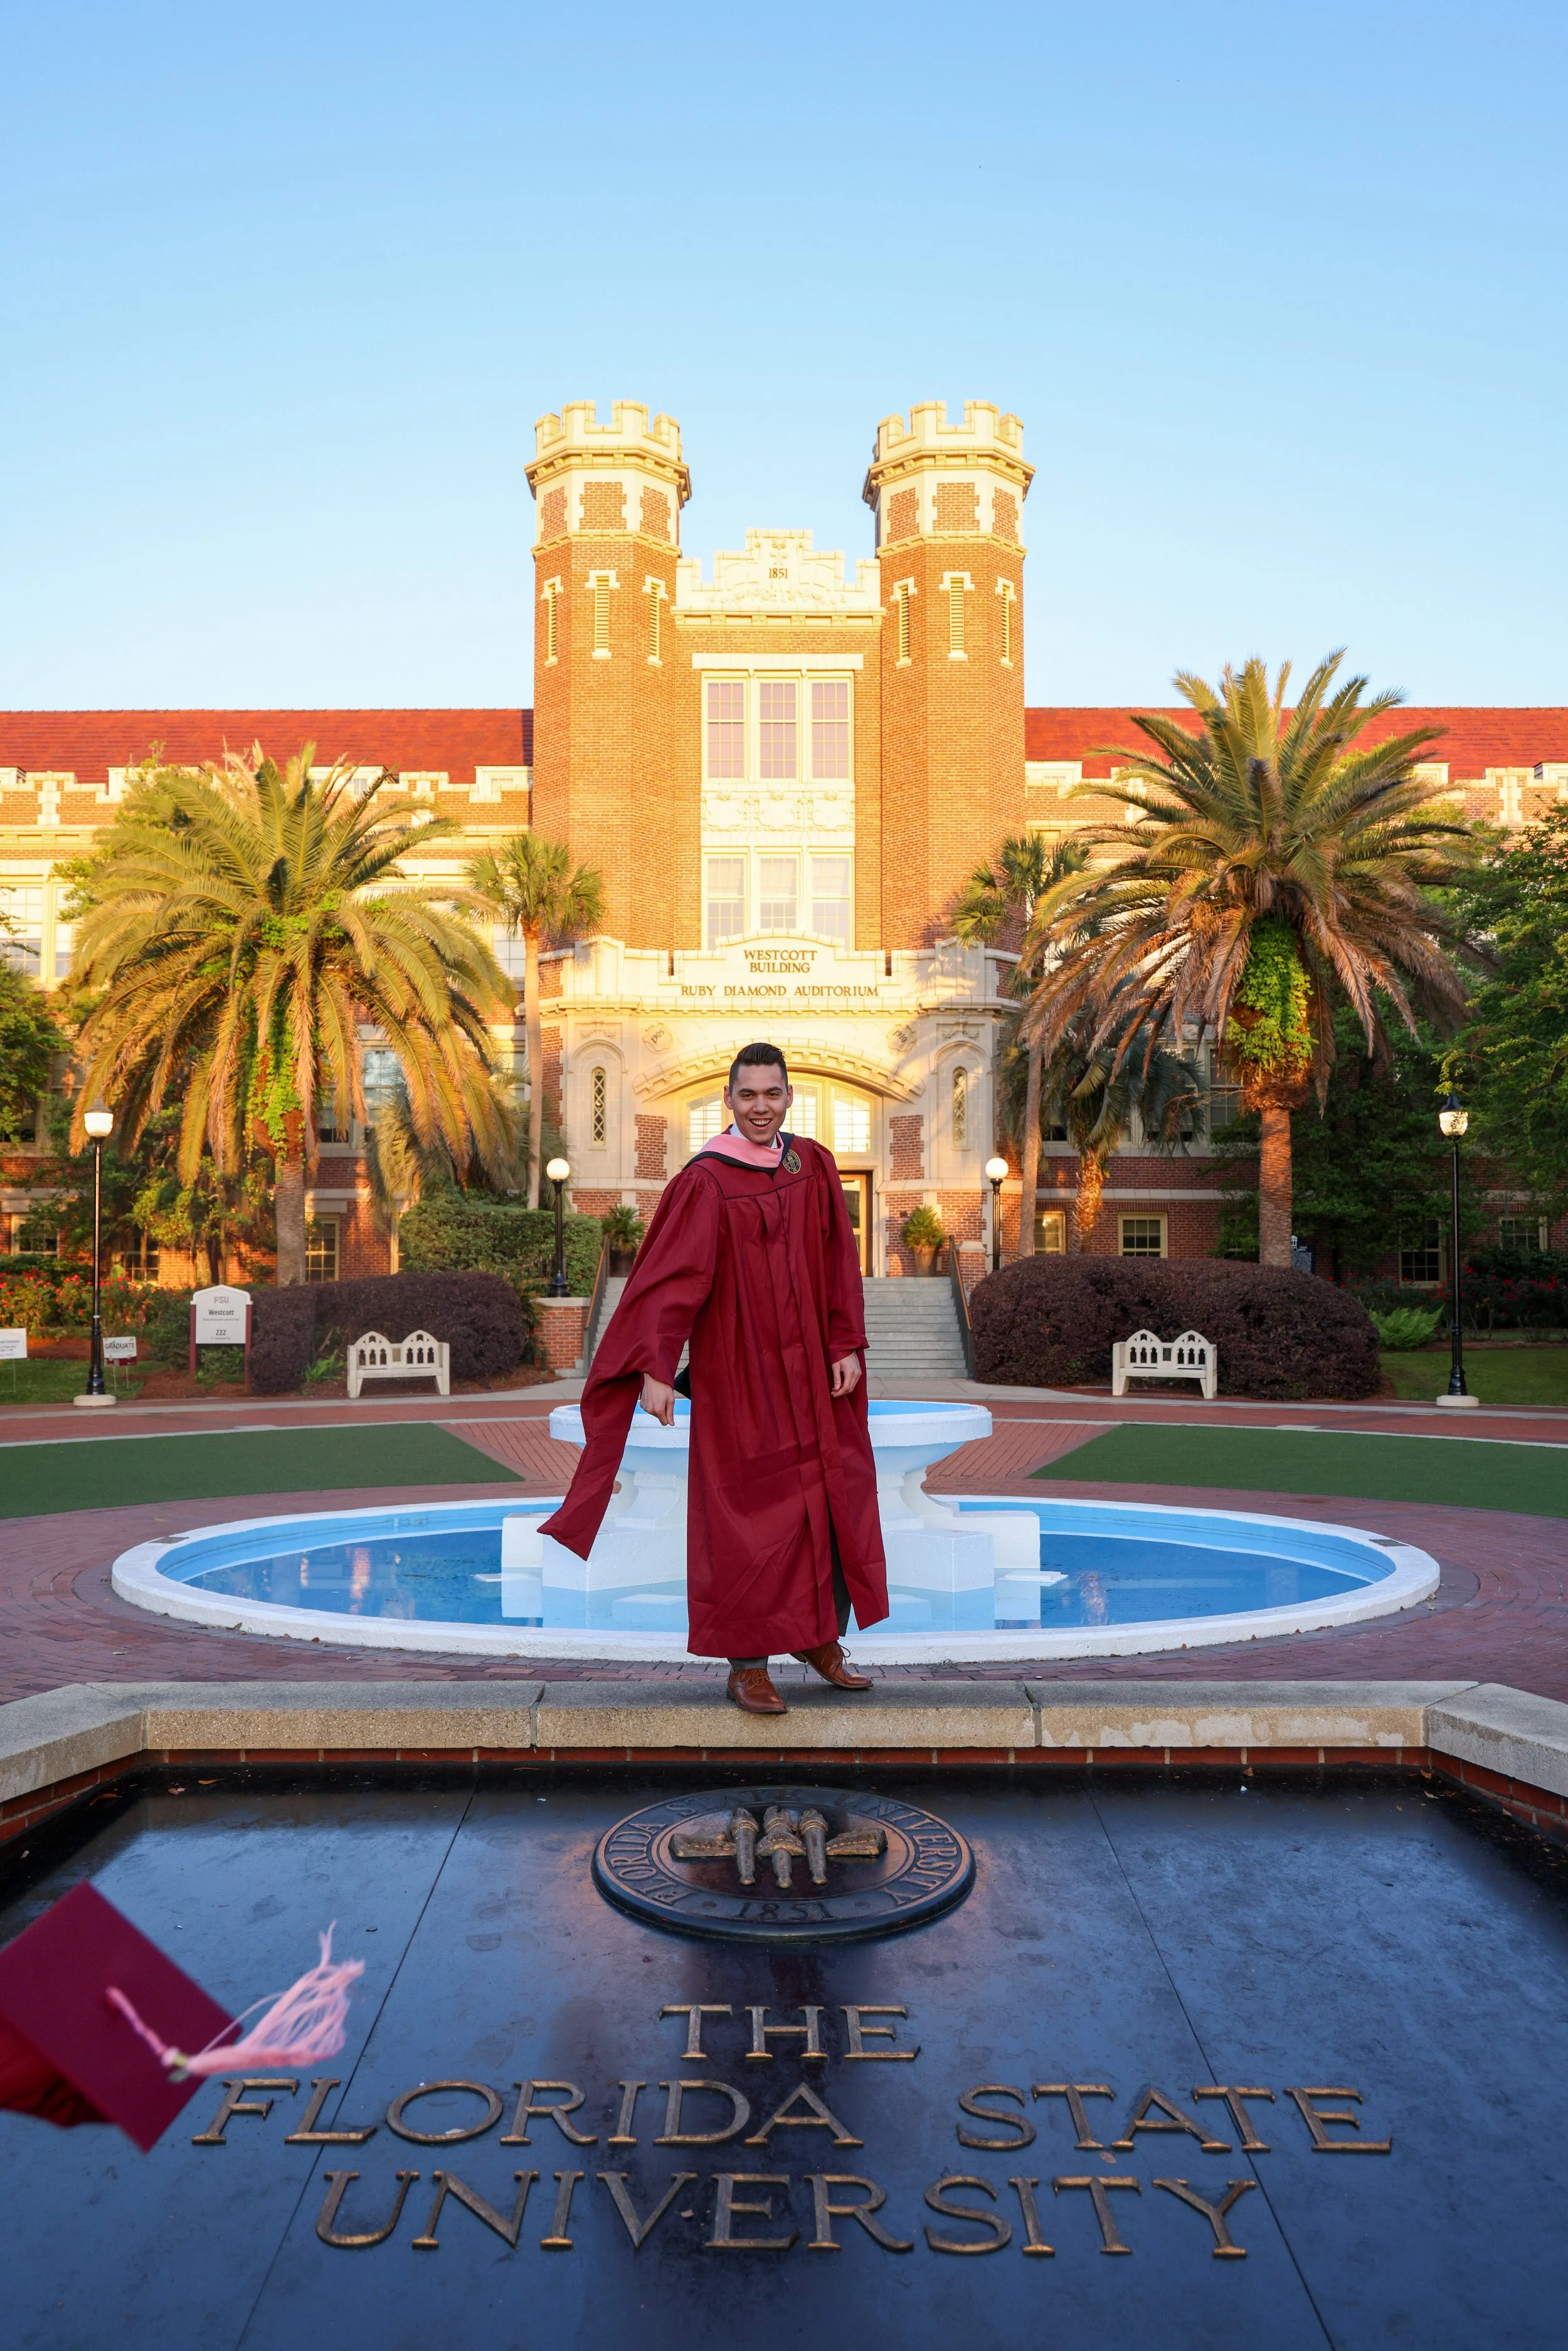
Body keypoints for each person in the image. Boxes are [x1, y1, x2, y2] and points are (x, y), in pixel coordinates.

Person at [540, 1043, 887, 1714]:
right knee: (746, 1513)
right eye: (748, 1095)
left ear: (789, 1097)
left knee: (834, 1494)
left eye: (773, 1094)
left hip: (814, 1368)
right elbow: (672, 1280)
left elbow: (838, 1259)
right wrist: (657, 1368)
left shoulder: (810, 1164)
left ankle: (818, 1639)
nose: (761, 1107)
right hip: (741, 1370)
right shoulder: (706, 1181)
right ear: (729, 1100)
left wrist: (845, 1342)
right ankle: (747, 1664)